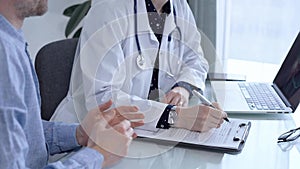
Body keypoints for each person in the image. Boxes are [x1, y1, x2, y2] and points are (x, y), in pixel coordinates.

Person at [0, 0, 144, 168]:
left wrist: (79, 134)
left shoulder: (12, 39)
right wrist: (99, 156)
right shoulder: (4, 52)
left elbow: (21, 131)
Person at [51, 0, 227, 132]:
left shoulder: (178, 6)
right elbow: (102, 98)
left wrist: (183, 88)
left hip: (146, 133)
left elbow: (196, 59)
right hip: (89, 136)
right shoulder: (108, 9)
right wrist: (173, 116)